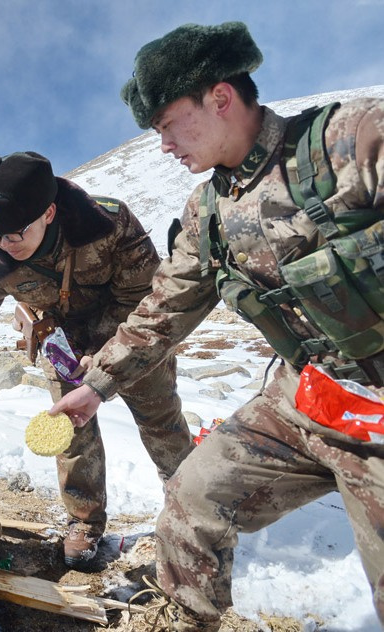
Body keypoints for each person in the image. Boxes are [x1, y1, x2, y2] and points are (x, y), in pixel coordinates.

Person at [50, 21, 384, 629]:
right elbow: (161, 313)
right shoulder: (206, 214)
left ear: (220, 97)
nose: (163, 146)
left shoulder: (352, 140)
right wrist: (93, 387)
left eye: (166, 125)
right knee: (192, 497)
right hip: (306, 400)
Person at [0, 151, 193, 567]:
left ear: (48, 212)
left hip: (130, 337)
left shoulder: (109, 224)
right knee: (71, 435)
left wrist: (99, 356)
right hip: (59, 345)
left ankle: (193, 511)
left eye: (14, 235)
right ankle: (84, 522)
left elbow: (144, 299)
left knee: (161, 422)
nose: (4, 246)